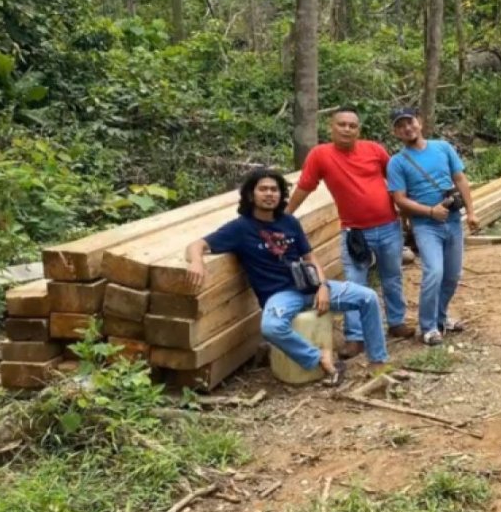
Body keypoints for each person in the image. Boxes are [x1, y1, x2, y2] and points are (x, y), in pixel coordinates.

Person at [185, 169, 390, 385]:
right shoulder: (240, 228)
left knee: (368, 297)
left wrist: (322, 286)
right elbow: (197, 245)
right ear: (250, 195)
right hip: (280, 295)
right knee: (272, 327)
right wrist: (197, 261)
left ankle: (378, 362)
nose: (269, 194)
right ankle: (318, 357)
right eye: (263, 189)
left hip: (310, 286)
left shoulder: (289, 222)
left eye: (274, 189)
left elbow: (309, 257)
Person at [287, 107, 415, 361]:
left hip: (388, 226)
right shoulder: (320, 155)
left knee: (392, 276)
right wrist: (285, 216)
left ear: (359, 130)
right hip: (354, 233)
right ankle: (355, 337)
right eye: (342, 124)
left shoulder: (374, 150)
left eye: (352, 126)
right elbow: (305, 187)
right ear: (331, 127)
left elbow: (397, 180)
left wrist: (408, 215)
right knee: (354, 285)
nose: (347, 129)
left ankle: (397, 322)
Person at [386, 107, 479, 345]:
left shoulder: (443, 148)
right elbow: (399, 198)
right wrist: (430, 211)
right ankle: (427, 327)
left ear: (420, 122)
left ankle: (441, 317)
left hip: (453, 221)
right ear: (396, 132)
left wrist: (470, 212)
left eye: (410, 122)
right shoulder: (397, 162)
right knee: (434, 273)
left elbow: (459, 179)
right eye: (401, 125)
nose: (408, 128)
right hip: (425, 226)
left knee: (452, 275)